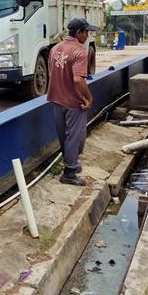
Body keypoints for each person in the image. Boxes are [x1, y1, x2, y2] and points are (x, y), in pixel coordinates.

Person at [46, 18, 98, 186]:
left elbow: (51, 73)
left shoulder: (55, 49)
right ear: (78, 33)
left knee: (64, 136)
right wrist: (88, 98)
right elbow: (78, 79)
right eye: (86, 32)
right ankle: (69, 173)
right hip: (73, 102)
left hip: (56, 99)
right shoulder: (79, 52)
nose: (88, 35)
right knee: (74, 137)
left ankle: (72, 165)